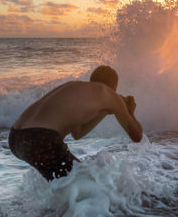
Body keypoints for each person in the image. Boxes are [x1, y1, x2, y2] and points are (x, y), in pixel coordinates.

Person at [8, 65, 143, 181]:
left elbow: (77, 133)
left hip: (16, 139)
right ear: (114, 86)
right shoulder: (110, 94)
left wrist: (104, 112)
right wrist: (130, 112)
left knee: (71, 187)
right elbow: (136, 136)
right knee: (86, 186)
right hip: (41, 139)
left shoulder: (74, 87)